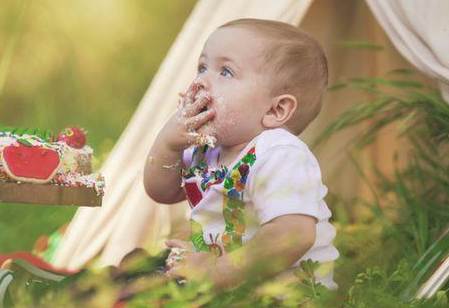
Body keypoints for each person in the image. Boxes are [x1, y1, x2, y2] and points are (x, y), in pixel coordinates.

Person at [143, 18, 339, 291]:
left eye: (225, 72)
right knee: (139, 267)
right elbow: (161, 192)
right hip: (225, 285)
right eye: (202, 67)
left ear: (275, 111)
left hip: (286, 295)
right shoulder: (206, 148)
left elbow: (292, 235)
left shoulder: (279, 153)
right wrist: (167, 144)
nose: (201, 81)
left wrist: (218, 271)